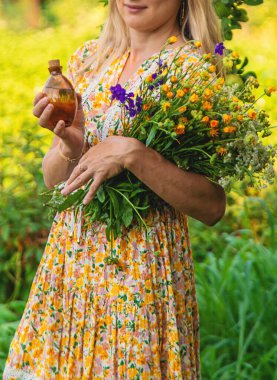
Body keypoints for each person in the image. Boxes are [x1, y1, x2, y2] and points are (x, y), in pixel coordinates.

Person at [3, 0, 226, 378]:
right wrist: (70, 147)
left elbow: (211, 205)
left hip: (139, 279)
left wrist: (135, 155)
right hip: (68, 274)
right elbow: (55, 181)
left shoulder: (193, 70)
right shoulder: (89, 59)